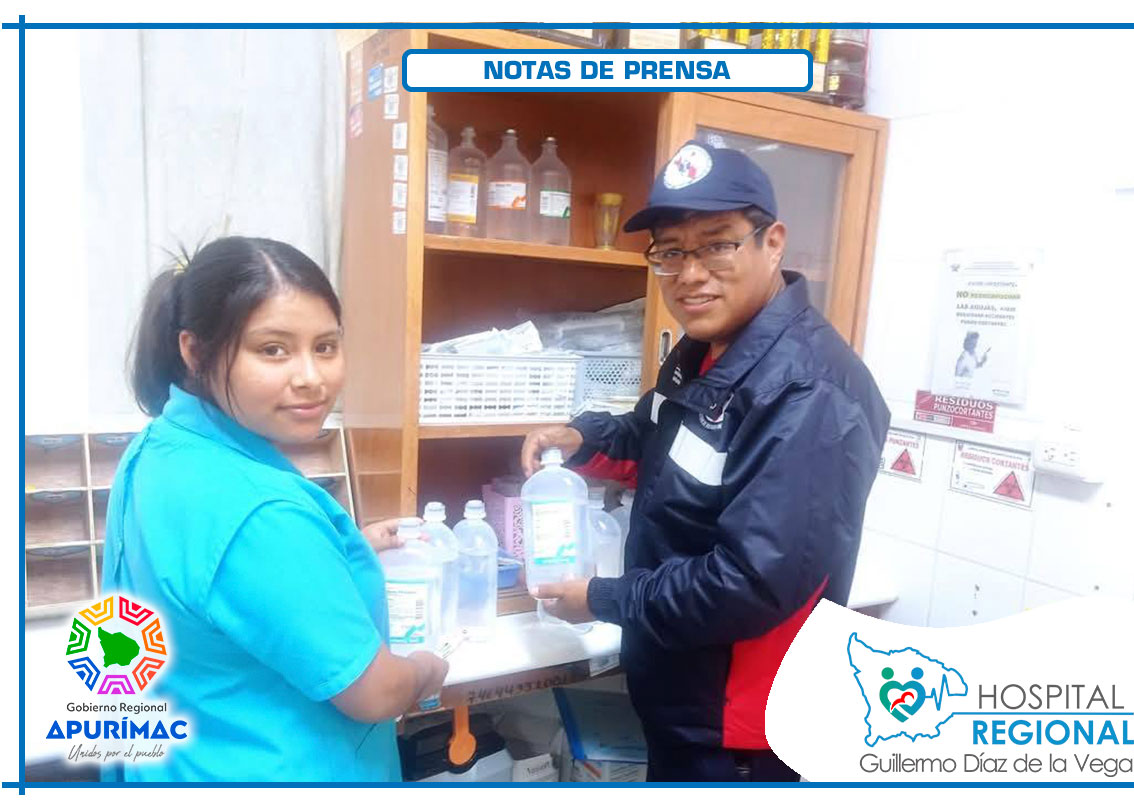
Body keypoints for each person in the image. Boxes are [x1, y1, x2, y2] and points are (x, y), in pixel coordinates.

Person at [522, 141, 890, 782]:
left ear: (772, 244)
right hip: (686, 698)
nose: (690, 274)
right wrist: (585, 438)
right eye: (670, 252)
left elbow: (750, 583)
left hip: (744, 733)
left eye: (717, 245)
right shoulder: (707, 349)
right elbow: (659, 440)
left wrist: (605, 598)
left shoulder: (810, 391)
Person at [102, 237, 448, 781]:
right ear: (195, 351)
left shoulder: (160, 447)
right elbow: (376, 693)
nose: (311, 377)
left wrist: (335, 550)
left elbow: (213, 579)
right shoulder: (262, 513)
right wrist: (427, 668)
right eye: (273, 350)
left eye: (326, 346)